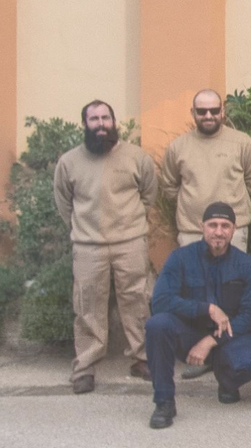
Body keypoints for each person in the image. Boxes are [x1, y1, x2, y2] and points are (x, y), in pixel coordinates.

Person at [54, 99, 157, 394]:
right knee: (87, 306)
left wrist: (131, 226)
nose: (101, 124)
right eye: (94, 119)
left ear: (114, 122)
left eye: (105, 118)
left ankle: (142, 358)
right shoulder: (69, 162)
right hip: (88, 246)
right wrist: (81, 229)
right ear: (84, 124)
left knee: (137, 300)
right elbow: (64, 202)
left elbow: (148, 195)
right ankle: (85, 367)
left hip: (130, 242)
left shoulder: (137, 158)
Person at [144, 202, 251, 429]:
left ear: (234, 229)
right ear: (202, 226)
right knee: (157, 324)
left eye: (225, 225)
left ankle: (227, 381)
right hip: (188, 332)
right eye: (213, 225)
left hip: (228, 335)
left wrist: (210, 341)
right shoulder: (180, 258)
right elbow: (160, 301)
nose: (219, 232)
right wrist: (207, 309)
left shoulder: (247, 264)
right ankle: (164, 402)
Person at [159, 89, 251, 252]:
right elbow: (169, 185)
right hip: (192, 231)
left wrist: (235, 196)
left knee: (231, 277)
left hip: (232, 230)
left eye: (214, 111)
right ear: (192, 112)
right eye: (201, 111)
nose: (208, 116)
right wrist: (190, 202)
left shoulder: (242, 142)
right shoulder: (178, 147)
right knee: (193, 278)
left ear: (222, 111)